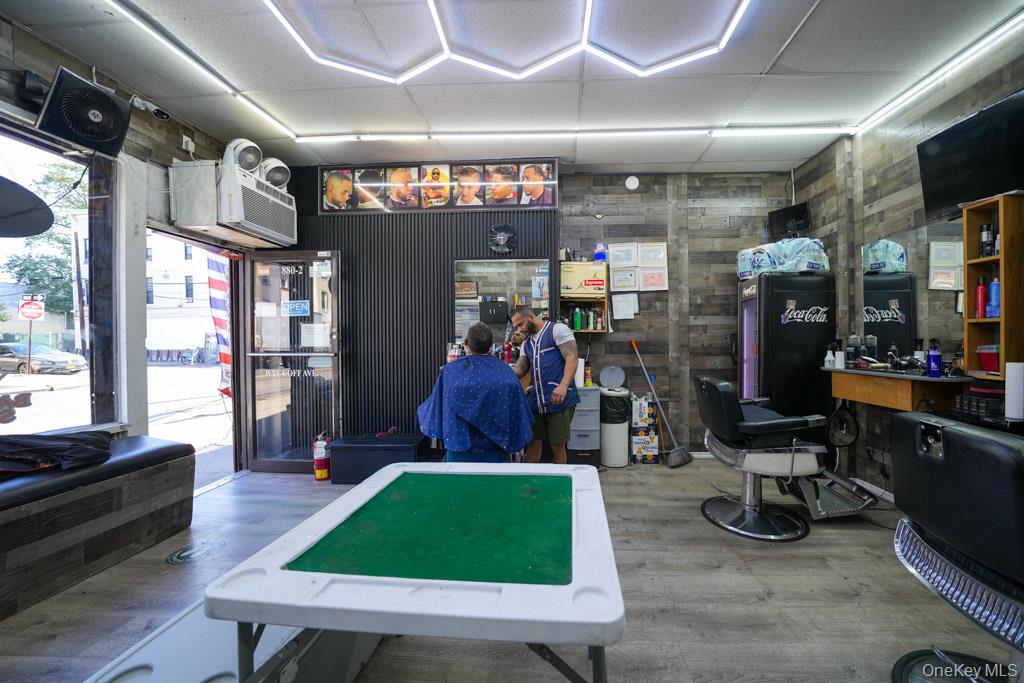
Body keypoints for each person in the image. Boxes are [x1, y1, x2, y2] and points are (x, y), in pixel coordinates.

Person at [418, 323, 534, 463]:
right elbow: (518, 413)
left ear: (466, 343)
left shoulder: (450, 372)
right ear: (491, 344)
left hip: (460, 446)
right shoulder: (506, 372)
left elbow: (435, 409)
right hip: (497, 448)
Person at [510, 305, 579, 464]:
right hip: (536, 402)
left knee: (557, 446)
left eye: (520, 324)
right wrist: (499, 373)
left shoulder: (557, 330)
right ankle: (530, 478)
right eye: (516, 327)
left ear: (531, 317)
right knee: (532, 444)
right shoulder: (527, 344)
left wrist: (563, 385)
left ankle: (559, 479)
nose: (519, 329)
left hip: (558, 400)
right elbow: (521, 368)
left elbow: (572, 357)